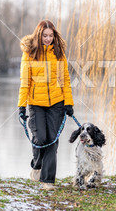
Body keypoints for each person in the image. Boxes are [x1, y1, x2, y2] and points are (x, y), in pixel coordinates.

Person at [18, 19, 74, 190]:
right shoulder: (29, 53)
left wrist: (68, 103)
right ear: (39, 35)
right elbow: (25, 82)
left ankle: (47, 182)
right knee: (40, 138)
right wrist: (22, 106)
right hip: (36, 104)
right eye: (45, 35)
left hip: (57, 103)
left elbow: (65, 79)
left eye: (51, 36)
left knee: (52, 140)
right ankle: (36, 165)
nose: (48, 39)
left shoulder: (59, 53)